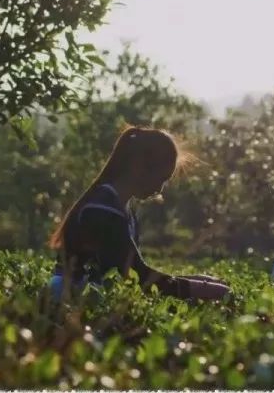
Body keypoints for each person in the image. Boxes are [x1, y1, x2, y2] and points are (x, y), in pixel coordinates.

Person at [47, 126, 230, 302]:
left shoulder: (121, 207)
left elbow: (133, 273)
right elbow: (135, 276)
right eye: (161, 179)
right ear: (138, 167)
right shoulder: (101, 210)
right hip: (71, 300)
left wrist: (196, 281)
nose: (159, 189)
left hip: (92, 296)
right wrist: (197, 288)